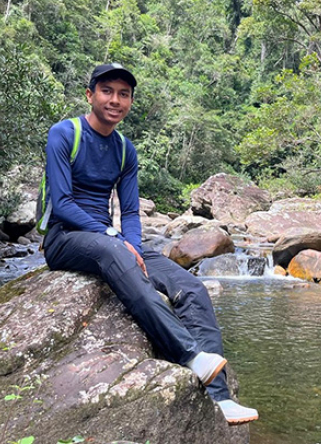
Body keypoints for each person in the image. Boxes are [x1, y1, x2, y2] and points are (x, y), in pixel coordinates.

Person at [41, 63, 259, 425]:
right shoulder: (65, 134)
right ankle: (190, 354)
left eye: (123, 94)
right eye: (107, 91)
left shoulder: (124, 149)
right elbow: (62, 204)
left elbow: (129, 211)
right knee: (115, 250)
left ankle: (220, 397)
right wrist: (115, 239)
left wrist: (132, 245)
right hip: (65, 238)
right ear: (90, 95)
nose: (115, 100)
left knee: (191, 287)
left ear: (130, 102)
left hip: (109, 242)